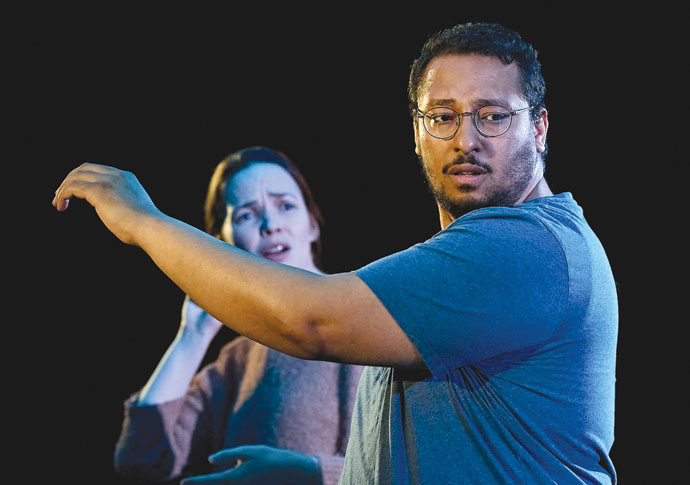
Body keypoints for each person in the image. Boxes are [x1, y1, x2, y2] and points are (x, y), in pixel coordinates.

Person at [53, 22, 618, 484]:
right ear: (416, 132)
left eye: (493, 115)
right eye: (442, 116)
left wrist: (142, 222)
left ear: (539, 127)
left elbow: (311, 321)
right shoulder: (435, 275)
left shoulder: (527, 246)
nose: (466, 139)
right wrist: (312, 474)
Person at [112, 147, 363, 484]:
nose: (271, 225)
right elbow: (141, 460)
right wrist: (193, 336)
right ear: (224, 244)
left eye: (285, 206)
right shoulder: (235, 362)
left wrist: (312, 474)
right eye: (246, 215)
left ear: (312, 224)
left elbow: (403, 462)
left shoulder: (364, 316)